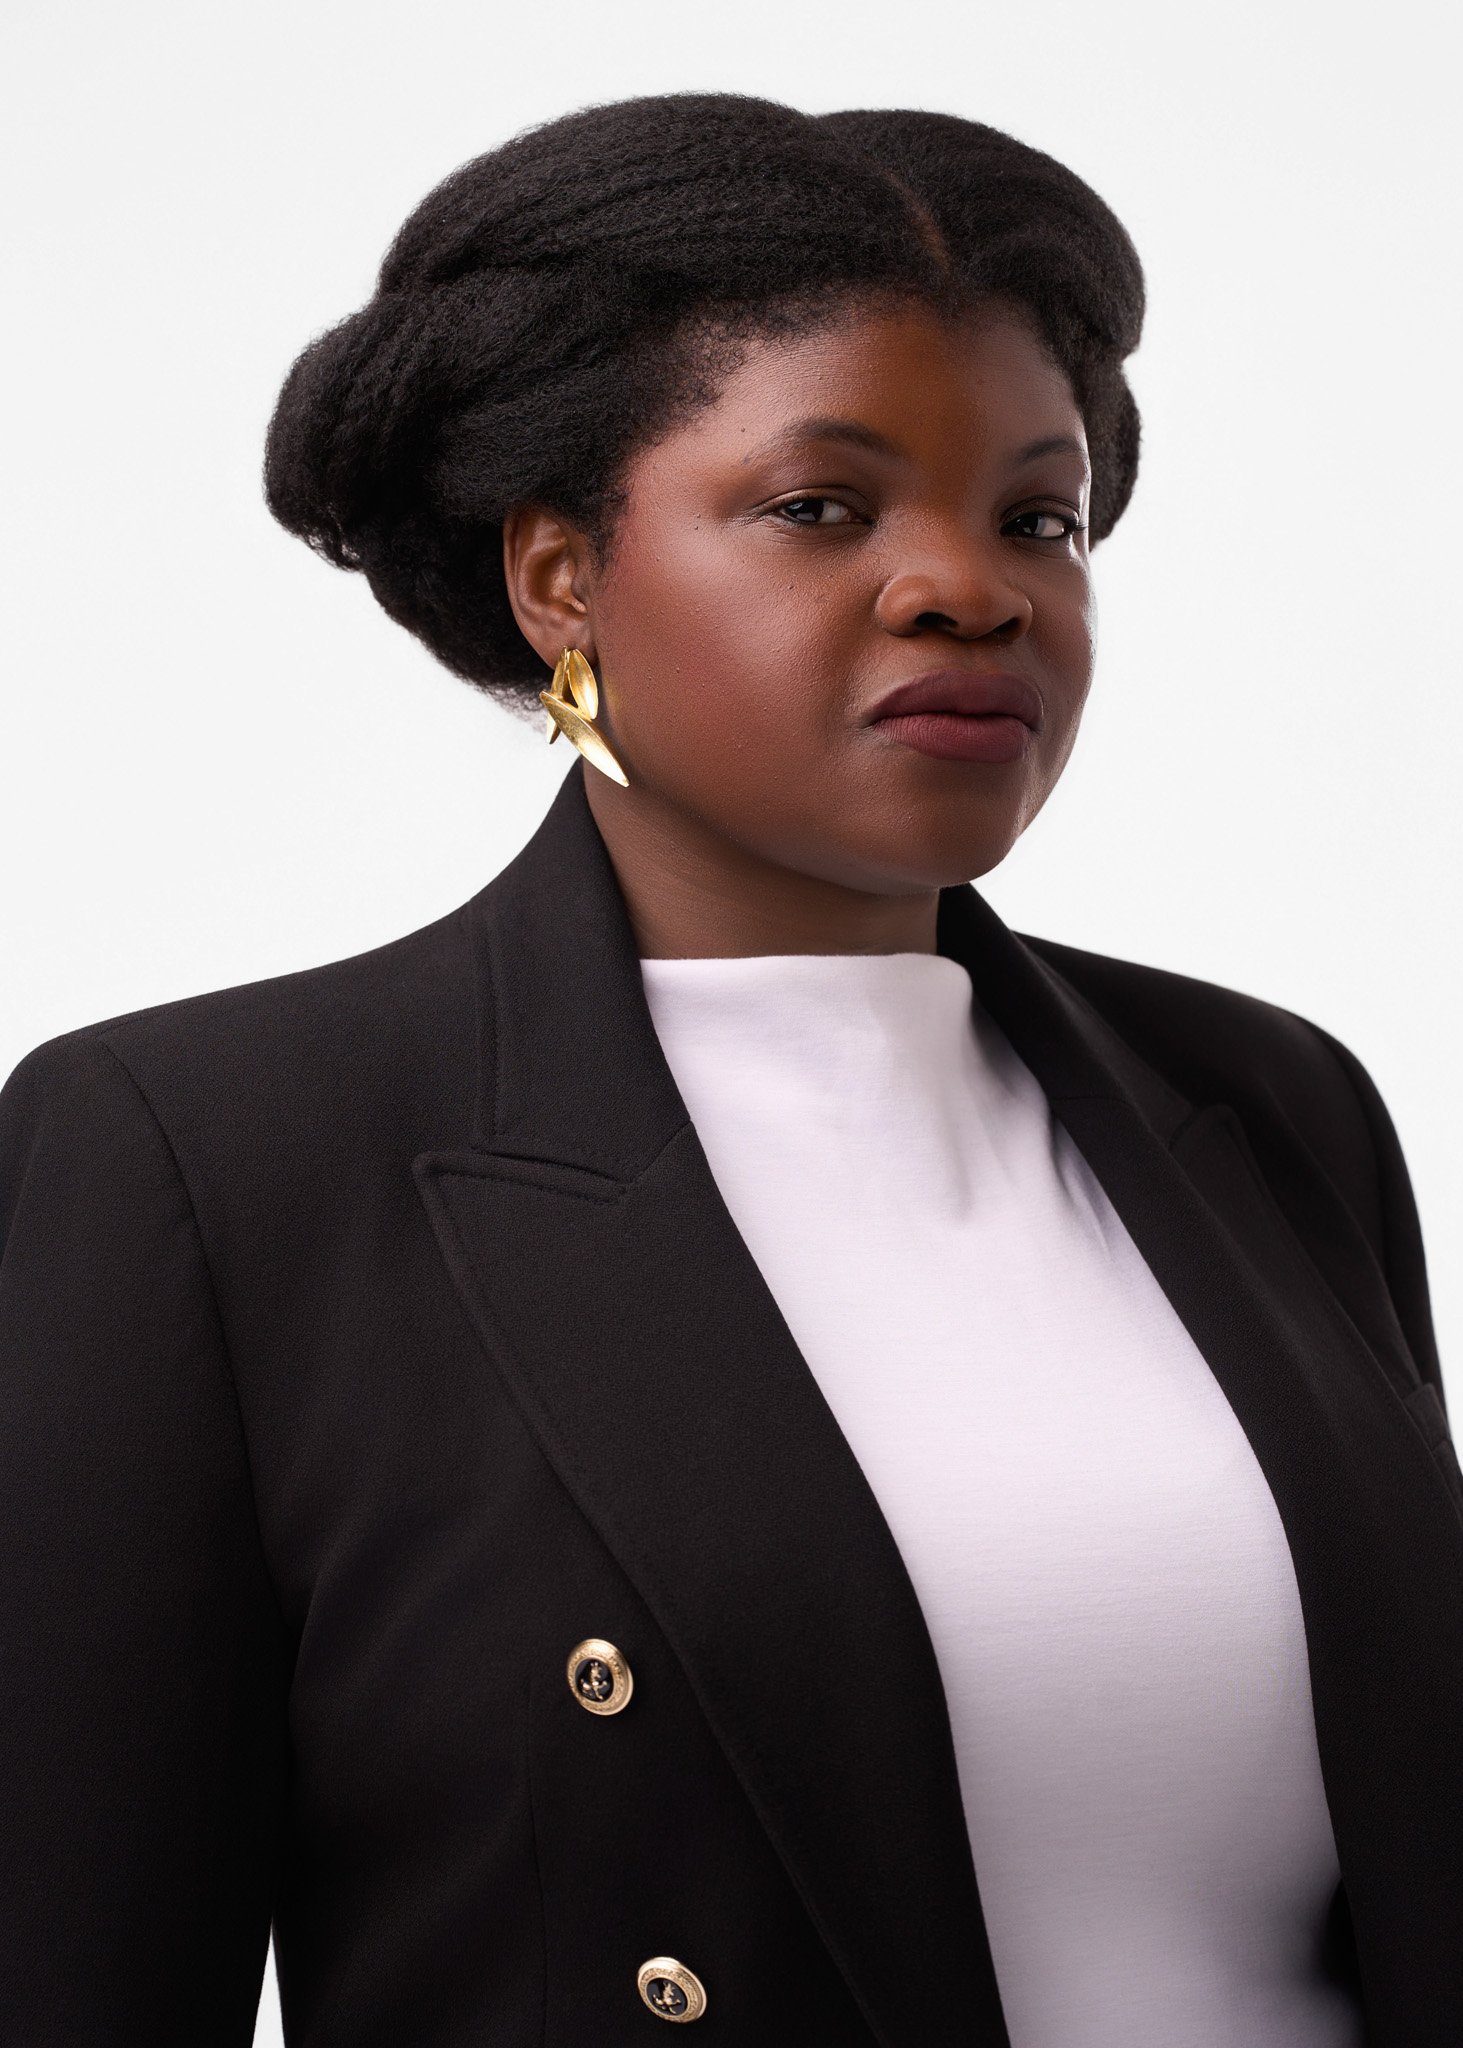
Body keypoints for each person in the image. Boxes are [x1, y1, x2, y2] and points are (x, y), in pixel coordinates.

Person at [1, 89, 1458, 2048]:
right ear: (560, 581)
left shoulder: (1274, 1104)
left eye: (1039, 518)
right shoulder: (212, 1158)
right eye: (820, 508)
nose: (972, 587)